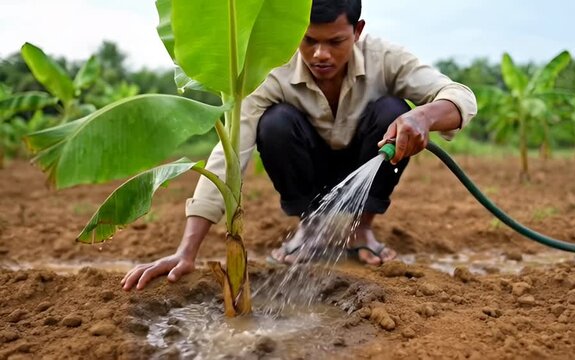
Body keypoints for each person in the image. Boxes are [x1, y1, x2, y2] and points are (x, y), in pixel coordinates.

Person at [121, 0, 477, 291]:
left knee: (393, 111)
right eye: (309, 41)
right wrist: (186, 251)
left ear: (357, 31)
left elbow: (460, 96)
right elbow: (231, 152)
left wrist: (424, 117)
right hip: (305, 167)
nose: (320, 54)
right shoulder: (272, 71)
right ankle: (308, 227)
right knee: (274, 123)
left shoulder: (386, 57)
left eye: (335, 42)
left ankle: (362, 228)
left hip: (369, 160)